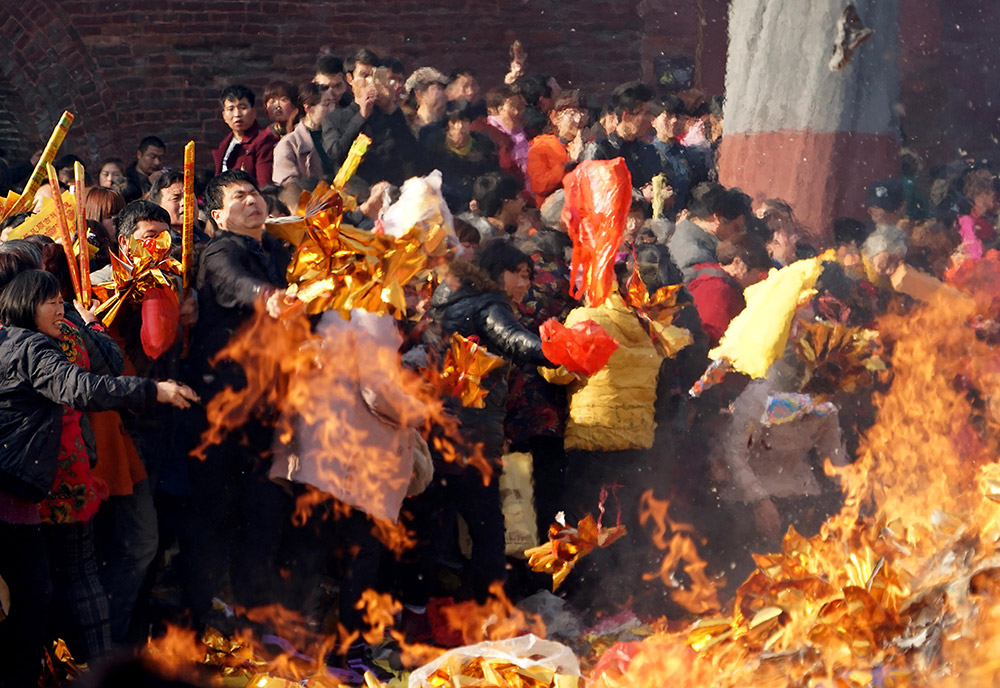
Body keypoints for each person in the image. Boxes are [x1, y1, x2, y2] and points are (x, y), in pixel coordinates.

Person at [0, 268, 195, 688]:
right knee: (37, 594)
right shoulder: (32, 347)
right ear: (25, 306)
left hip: (23, 493)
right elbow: (82, 387)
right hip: (14, 496)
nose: (60, 308)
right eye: (51, 301)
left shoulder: (12, 341)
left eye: (60, 300)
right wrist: (153, 390)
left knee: (34, 593)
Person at [185, 170, 292, 622]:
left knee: (264, 511)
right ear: (217, 214)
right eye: (239, 196)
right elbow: (233, 283)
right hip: (222, 408)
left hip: (267, 403)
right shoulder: (220, 250)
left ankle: (257, 616)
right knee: (216, 513)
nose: (252, 200)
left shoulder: (275, 248)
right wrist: (267, 296)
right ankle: (200, 616)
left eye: (254, 193)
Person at [321, 48, 421, 186]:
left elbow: (411, 154)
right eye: (364, 75)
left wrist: (390, 108)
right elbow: (336, 154)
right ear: (349, 79)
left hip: (389, 191)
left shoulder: (389, 115)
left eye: (373, 76)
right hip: (354, 194)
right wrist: (362, 116)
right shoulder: (336, 118)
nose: (369, 82)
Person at [688, 233, 772, 347]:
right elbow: (718, 340)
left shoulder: (708, 277)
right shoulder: (719, 291)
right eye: (760, 276)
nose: (761, 282)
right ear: (738, 263)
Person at [422, 99, 499, 213]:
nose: (460, 127)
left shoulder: (484, 147)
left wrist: (481, 199)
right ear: (446, 126)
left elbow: (492, 179)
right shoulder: (433, 149)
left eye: (464, 121)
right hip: (443, 207)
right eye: (454, 122)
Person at [584, 81, 661, 191]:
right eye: (646, 113)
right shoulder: (599, 150)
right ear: (627, 116)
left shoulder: (648, 150)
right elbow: (595, 190)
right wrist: (640, 195)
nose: (651, 120)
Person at [668, 184, 751, 282]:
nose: (738, 234)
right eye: (737, 228)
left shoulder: (688, 234)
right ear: (718, 219)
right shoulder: (695, 254)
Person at [525, 90, 587, 205]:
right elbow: (539, 185)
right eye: (572, 114)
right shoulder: (541, 146)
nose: (578, 119)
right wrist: (570, 162)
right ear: (555, 118)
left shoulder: (590, 144)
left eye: (582, 112)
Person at [212, 84, 279, 188]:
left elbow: (264, 186)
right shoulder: (224, 145)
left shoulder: (263, 140)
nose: (237, 114)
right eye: (231, 109)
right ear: (224, 116)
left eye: (243, 107)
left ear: (253, 112)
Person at [272, 81, 338, 185]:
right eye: (326, 104)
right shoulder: (289, 144)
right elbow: (288, 187)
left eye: (333, 103)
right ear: (308, 108)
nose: (332, 109)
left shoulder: (339, 134)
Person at [475, 85, 529, 184]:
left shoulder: (528, 133)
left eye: (519, 108)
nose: (517, 112)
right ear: (496, 110)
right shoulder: (486, 132)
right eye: (512, 107)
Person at [405, 67, 449, 136]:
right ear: (419, 94)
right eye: (438, 88)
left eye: (443, 89)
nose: (444, 94)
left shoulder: (450, 127)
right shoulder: (406, 127)